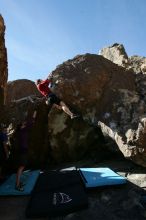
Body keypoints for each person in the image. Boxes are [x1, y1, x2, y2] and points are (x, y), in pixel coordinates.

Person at [15, 110, 37, 191]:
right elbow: (31, 123)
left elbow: (29, 124)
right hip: (22, 150)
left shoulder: (21, 131)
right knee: (21, 166)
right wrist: (34, 114)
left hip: (22, 149)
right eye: (23, 124)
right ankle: (17, 185)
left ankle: (18, 183)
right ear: (21, 126)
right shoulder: (23, 130)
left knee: (22, 166)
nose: (24, 124)